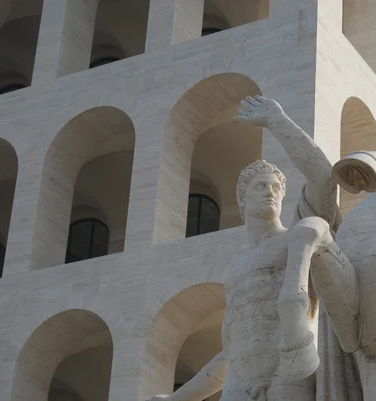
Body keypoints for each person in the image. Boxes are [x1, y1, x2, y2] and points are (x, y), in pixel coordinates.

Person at [146, 95, 345, 401]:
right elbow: (230, 353)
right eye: (261, 186)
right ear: (242, 199)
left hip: (290, 373)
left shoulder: (293, 239)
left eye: (277, 188)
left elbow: (323, 179)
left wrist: (278, 121)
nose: (271, 192)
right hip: (239, 382)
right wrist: (178, 398)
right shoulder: (235, 270)